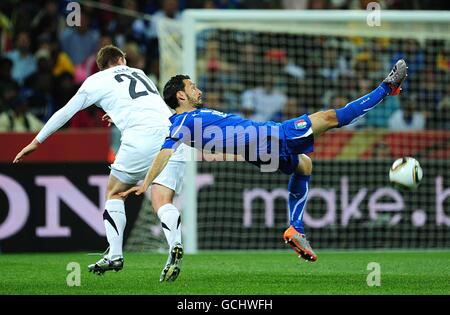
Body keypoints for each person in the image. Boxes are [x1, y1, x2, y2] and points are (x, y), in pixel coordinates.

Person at [120, 59, 408, 262]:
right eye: (192, 86)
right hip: (268, 137)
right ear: (181, 94)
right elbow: (165, 151)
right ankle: (387, 88)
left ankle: (296, 228)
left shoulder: (187, 120)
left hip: (258, 152)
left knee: (305, 164)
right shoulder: (182, 121)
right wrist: (146, 183)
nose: (198, 90)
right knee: (330, 118)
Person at [13, 45, 185, 282]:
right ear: (122, 59)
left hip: (141, 137)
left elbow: (65, 112)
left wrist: (36, 141)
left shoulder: (96, 80)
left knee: (114, 193)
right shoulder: (140, 73)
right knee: (162, 200)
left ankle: (115, 254)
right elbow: (143, 105)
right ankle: (175, 245)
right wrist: (116, 114)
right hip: (172, 134)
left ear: (102, 66)